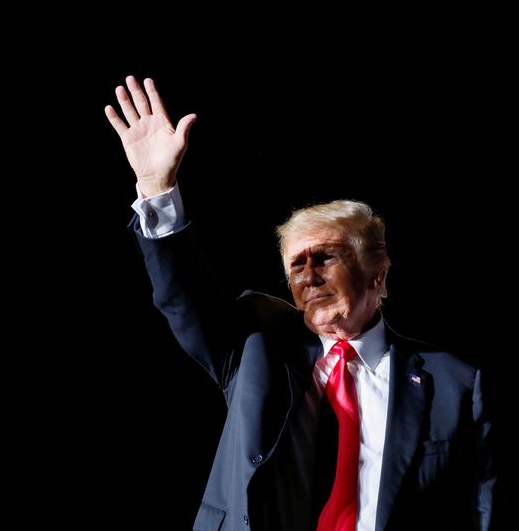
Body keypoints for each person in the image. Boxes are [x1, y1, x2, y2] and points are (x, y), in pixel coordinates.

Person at [106, 75, 495, 531]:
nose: (308, 277)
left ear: (378, 273)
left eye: (325, 258)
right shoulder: (257, 341)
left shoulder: (455, 383)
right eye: (295, 267)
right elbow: (183, 298)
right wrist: (158, 190)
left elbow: (481, 510)